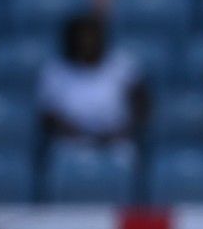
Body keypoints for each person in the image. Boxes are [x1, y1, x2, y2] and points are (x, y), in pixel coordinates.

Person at [38, 13, 148, 148]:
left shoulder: (122, 64)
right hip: (71, 144)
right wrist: (81, 136)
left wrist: (122, 131)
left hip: (117, 141)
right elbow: (48, 116)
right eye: (81, 39)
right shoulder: (56, 69)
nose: (86, 43)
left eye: (91, 38)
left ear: (101, 39)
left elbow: (141, 104)